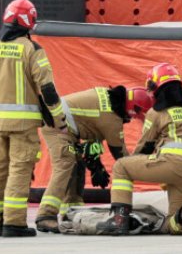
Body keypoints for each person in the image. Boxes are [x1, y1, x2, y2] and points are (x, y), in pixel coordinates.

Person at [0, 0, 68, 237]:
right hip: (23, 126)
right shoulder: (31, 50)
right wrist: (59, 120)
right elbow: (47, 89)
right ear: (29, 21)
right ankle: (14, 224)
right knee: (19, 171)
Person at [98, 62, 182, 236]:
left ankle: (119, 220)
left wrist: (138, 164)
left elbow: (145, 147)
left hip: (170, 163)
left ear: (156, 88)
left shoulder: (155, 113)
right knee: (172, 224)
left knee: (121, 166)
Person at [35, 84, 153, 233]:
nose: (133, 119)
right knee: (65, 163)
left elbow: (91, 124)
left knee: (77, 165)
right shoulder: (112, 120)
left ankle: (72, 210)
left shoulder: (109, 99)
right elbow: (121, 157)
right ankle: (45, 215)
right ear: (132, 109)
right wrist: (142, 166)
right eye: (136, 116)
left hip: (63, 125)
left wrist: (96, 164)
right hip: (56, 125)